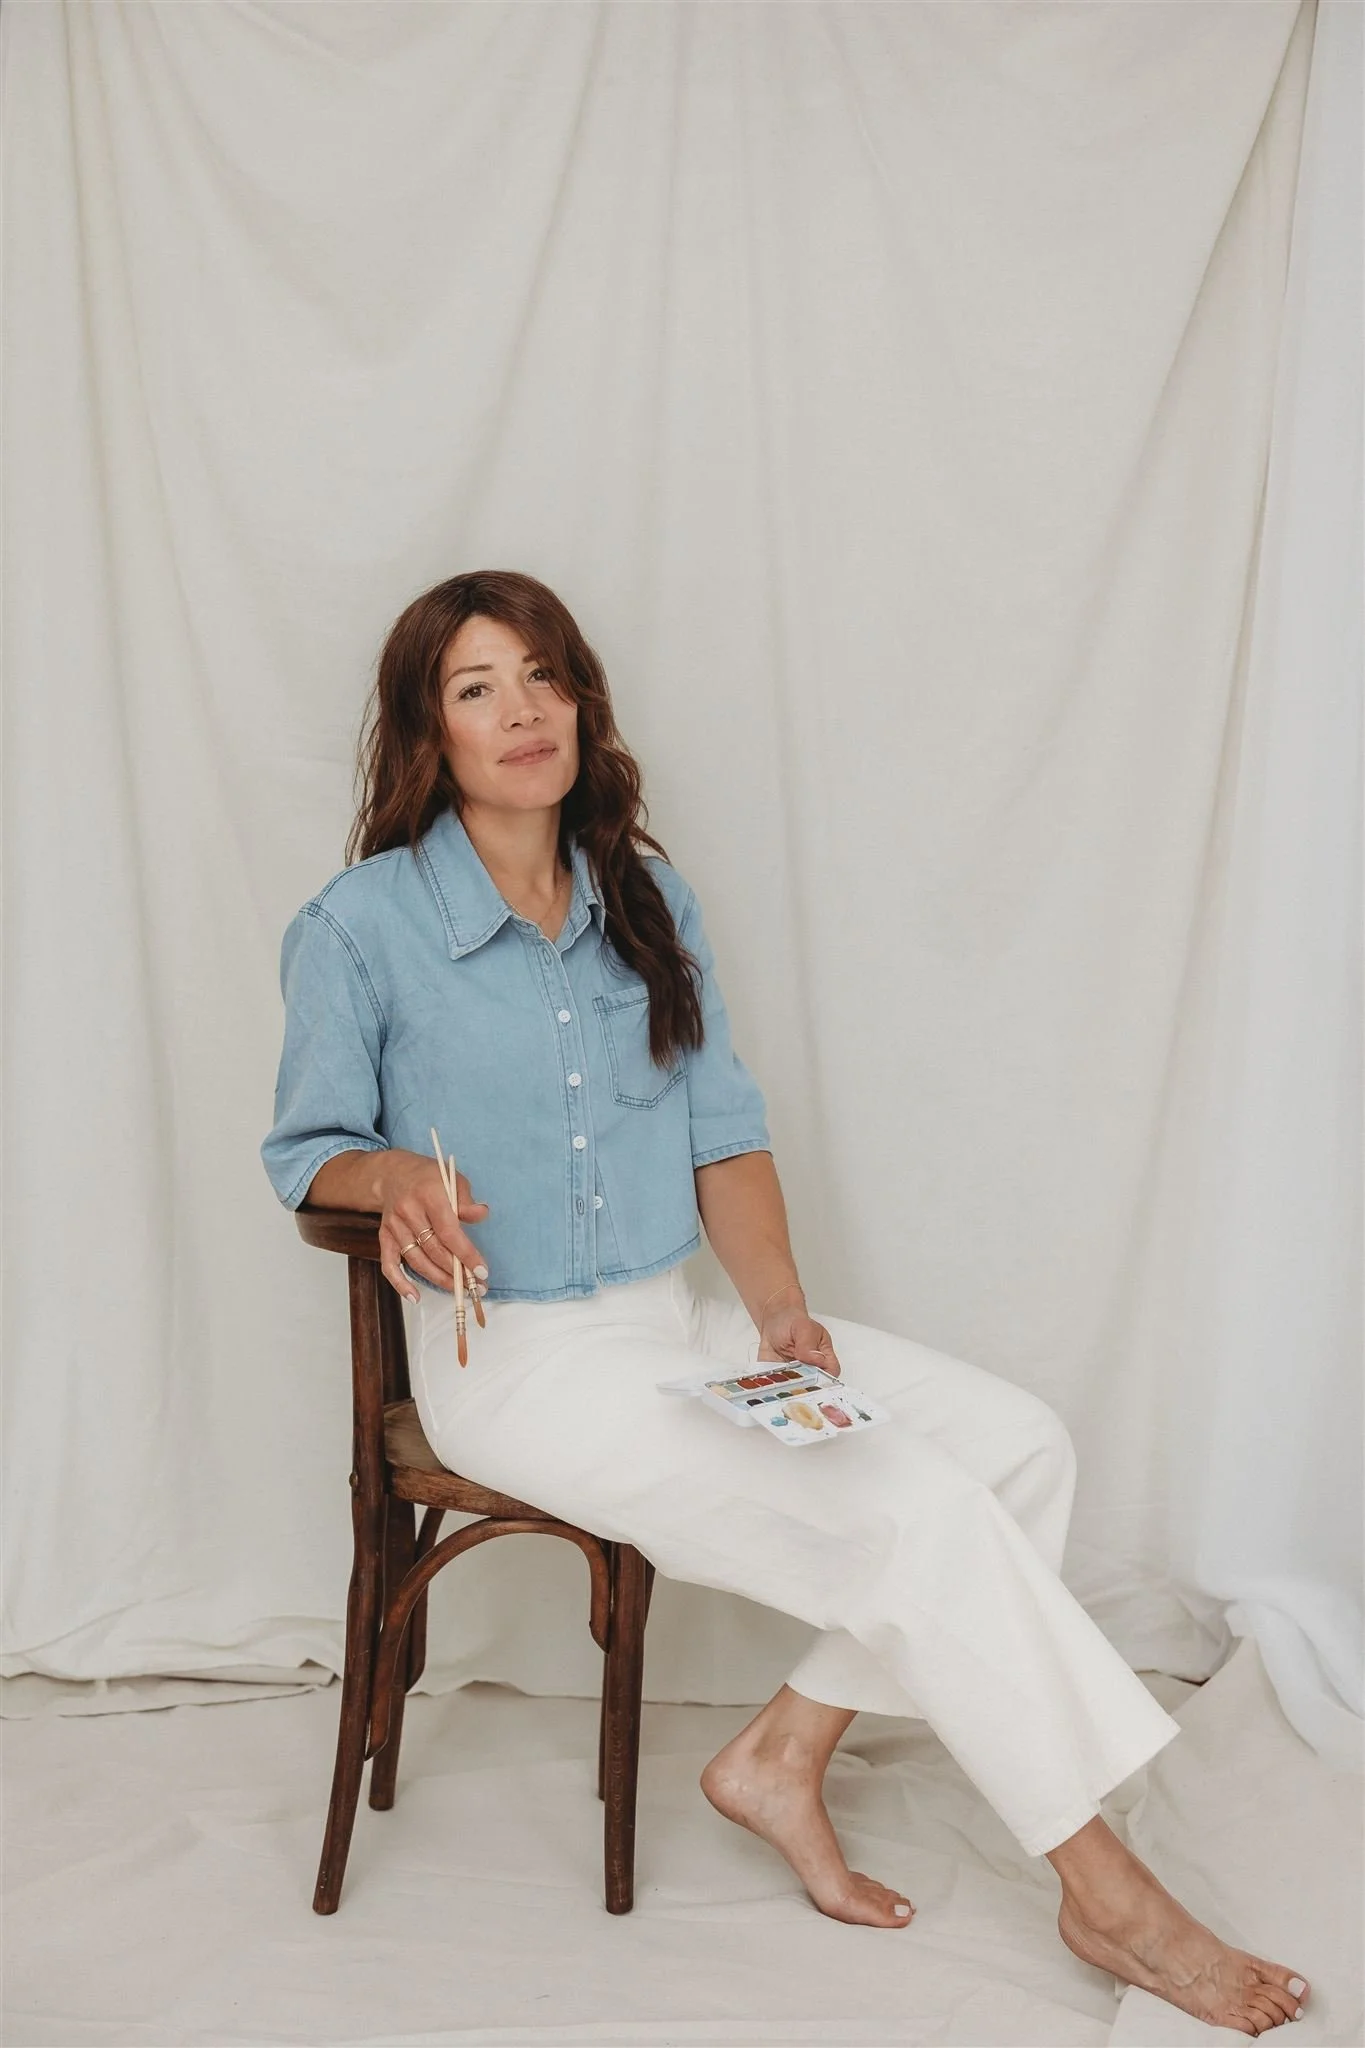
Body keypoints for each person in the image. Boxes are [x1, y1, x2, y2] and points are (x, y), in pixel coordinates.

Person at [262, 570, 1310, 2036]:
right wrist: (390, 1181)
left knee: (1017, 1446)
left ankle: (780, 1756)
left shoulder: (645, 895)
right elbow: (306, 1153)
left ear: (582, 701)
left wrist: (779, 1315)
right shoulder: (357, 925)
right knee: (911, 1512)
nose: (524, 711)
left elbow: (724, 1136)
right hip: (519, 1360)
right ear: (429, 732)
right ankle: (1103, 1885)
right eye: (478, 687)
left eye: (545, 675)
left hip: (679, 1323)